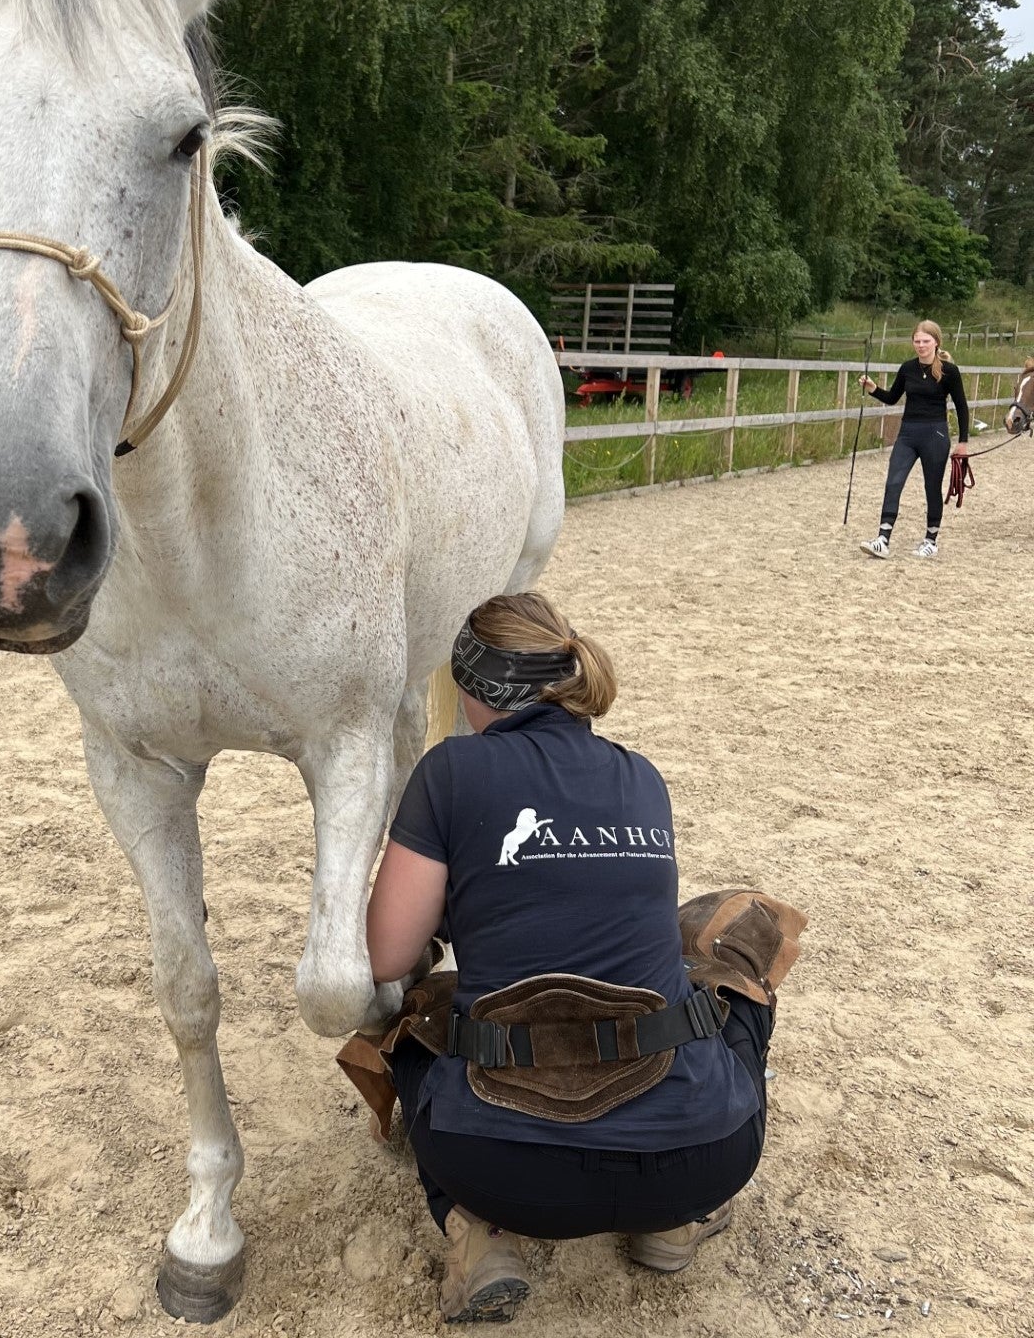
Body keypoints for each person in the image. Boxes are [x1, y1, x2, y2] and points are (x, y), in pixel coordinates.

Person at [337, 594, 804, 1323]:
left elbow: (387, 952)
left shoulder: (450, 771)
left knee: (409, 1021)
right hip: (702, 1154)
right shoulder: (640, 774)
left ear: (469, 690)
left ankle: (478, 1232)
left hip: (504, 1172)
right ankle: (672, 1219)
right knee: (738, 977)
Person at [858, 320, 969, 560]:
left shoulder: (950, 371)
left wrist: (963, 441)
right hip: (908, 433)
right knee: (893, 482)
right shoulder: (907, 368)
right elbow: (892, 397)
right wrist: (873, 388)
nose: (921, 345)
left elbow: (962, 407)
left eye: (925, 341)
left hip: (935, 435)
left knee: (931, 487)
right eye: (917, 341)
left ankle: (931, 540)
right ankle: (882, 539)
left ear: (936, 342)